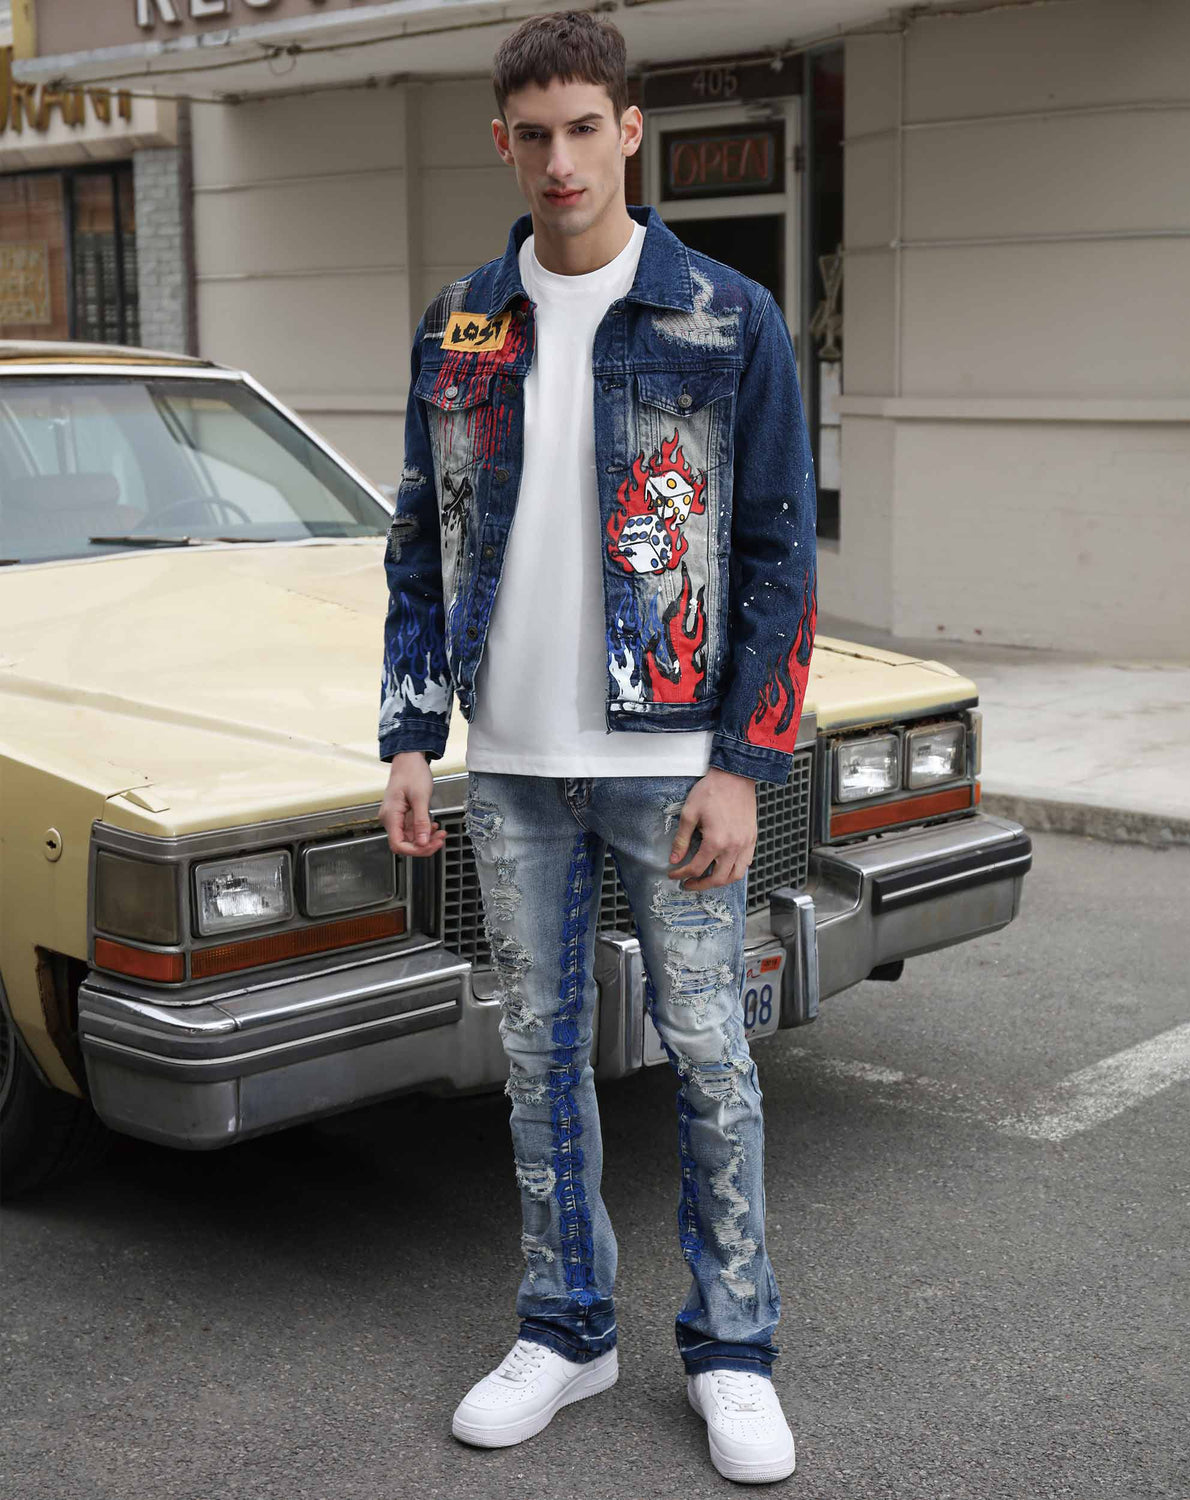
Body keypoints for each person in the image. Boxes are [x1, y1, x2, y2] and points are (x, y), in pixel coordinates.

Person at [377, 9, 816, 1485]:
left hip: (669, 755)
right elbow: (415, 545)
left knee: (707, 1052)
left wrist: (742, 764)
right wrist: (406, 735)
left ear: (629, 130)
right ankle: (567, 1328)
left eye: (586, 127)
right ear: (501, 141)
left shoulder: (722, 314)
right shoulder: (460, 324)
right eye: (533, 132)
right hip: (507, 760)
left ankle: (735, 1350)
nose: (560, 158)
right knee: (540, 1052)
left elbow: (773, 556)